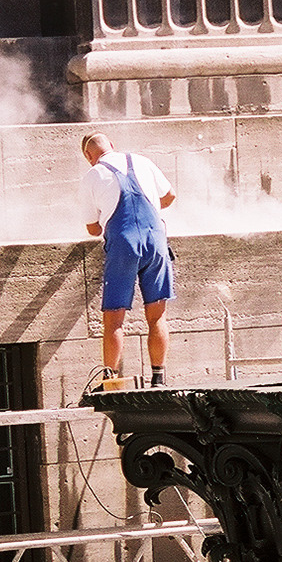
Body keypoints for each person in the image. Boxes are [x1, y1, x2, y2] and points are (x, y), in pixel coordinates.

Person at [80, 132, 176, 387]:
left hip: (123, 244)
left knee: (114, 318)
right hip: (156, 241)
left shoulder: (93, 175)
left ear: (89, 156)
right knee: (156, 315)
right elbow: (170, 196)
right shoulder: (142, 161)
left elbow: (93, 228)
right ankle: (158, 377)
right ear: (112, 146)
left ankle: (110, 379)